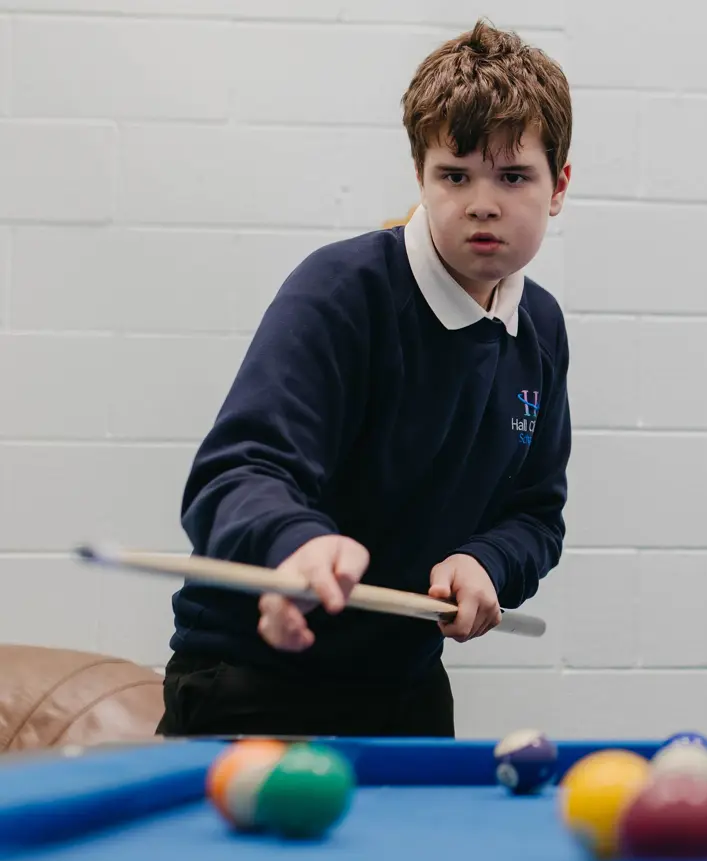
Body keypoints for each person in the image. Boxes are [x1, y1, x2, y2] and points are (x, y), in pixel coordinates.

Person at [156, 19, 573, 739]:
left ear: (557, 185)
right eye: (455, 174)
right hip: (251, 680)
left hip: (403, 690)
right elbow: (234, 473)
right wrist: (298, 543)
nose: (482, 201)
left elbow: (535, 514)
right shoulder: (341, 291)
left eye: (512, 176)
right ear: (421, 175)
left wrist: (488, 562)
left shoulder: (540, 327)